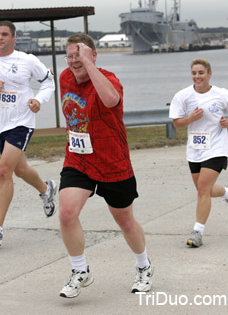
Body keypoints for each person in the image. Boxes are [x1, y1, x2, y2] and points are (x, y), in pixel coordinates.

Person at [58, 33, 153, 298]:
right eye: (71, 56)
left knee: (124, 220)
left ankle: (144, 266)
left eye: (81, 55)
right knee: (67, 213)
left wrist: (89, 66)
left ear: (93, 56)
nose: (75, 61)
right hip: (78, 159)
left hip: (112, 161)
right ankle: (80, 270)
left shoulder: (109, 79)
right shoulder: (65, 77)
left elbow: (111, 100)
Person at [0, 20, 57, 246]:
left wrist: (38, 99)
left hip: (22, 122)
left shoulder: (26, 60)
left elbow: (48, 81)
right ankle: (46, 190)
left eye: (5, 34)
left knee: (4, 170)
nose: (0, 38)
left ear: (14, 38)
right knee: (20, 170)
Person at [169, 58, 228, 247]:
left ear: (209, 74)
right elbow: (177, 123)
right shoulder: (183, 96)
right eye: (194, 73)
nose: (197, 76)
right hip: (195, 150)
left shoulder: (221, 94)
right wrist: (190, 119)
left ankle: (197, 232)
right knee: (202, 189)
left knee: (203, 190)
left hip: (216, 148)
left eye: (201, 73)